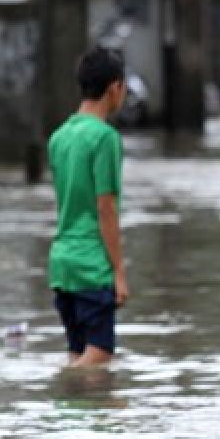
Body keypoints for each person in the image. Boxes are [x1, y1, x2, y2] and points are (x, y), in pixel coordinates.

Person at [47, 47, 129, 367]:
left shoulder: (59, 137)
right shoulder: (105, 138)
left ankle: (71, 412)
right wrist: (119, 272)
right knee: (100, 355)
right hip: (92, 265)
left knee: (77, 354)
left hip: (63, 263)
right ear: (114, 88)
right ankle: (62, 390)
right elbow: (105, 208)